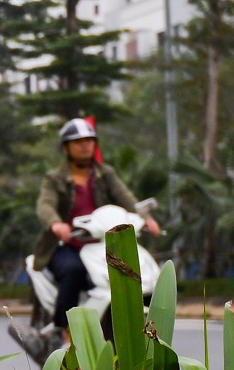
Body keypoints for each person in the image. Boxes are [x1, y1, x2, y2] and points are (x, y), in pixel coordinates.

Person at [32, 117, 161, 341]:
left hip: (104, 244)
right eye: (78, 141)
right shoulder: (54, 178)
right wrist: (55, 223)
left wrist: (146, 218)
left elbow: (126, 197)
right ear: (66, 147)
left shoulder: (105, 174)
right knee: (73, 271)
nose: (85, 145)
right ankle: (64, 332)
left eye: (89, 140)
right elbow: (45, 204)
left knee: (137, 271)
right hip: (68, 244)